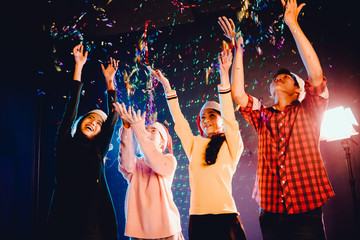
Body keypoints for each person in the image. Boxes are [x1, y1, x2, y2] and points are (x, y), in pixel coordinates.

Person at [218, 0, 334, 239]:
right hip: (270, 212)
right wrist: (238, 49)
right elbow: (238, 94)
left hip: (306, 212)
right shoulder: (263, 115)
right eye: (276, 77)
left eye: (286, 77)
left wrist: (291, 23)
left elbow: (316, 74)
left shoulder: (309, 109)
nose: (279, 78)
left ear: (298, 90)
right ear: (270, 90)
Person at [148, 48, 247, 240]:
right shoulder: (194, 144)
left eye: (212, 115)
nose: (206, 120)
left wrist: (224, 76)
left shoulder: (232, 143)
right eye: (202, 117)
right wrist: (167, 86)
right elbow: (179, 120)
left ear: (221, 119)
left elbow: (229, 114)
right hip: (198, 219)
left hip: (226, 217)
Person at [46, 44, 119, 240]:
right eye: (90, 119)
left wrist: (109, 81)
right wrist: (79, 66)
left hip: (93, 223)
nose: (94, 123)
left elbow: (113, 118)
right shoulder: (65, 142)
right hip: (65, 218)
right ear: (80, 122)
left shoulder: (98, 149)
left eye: (98, 124)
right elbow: (72, 105)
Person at [114, 102, 184, 240]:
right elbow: (126, 163)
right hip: (140, 232)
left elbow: (154, 161)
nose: (146, 132)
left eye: (153, 131)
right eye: (145, 129)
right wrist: (127, 128)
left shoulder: (169, 160)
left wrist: (139, 130)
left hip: (168, 230)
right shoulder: (135, 163)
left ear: (162, 143)